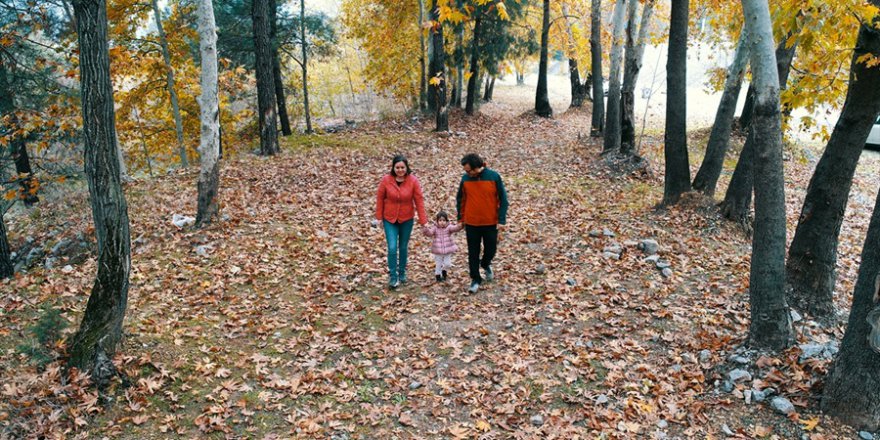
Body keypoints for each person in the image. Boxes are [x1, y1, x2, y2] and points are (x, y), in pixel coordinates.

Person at [456, 153, 509, 293]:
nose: (467, 173)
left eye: (469, 170)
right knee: (473, 252)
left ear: (477, 167)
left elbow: (503, 199)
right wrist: (461, 219)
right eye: (465, 171)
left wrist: (501, 219)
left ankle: (485, 264)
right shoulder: (465, 179)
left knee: (491, 249)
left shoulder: (493, 177)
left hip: (490, 222)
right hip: (471, 222)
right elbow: (460, 200)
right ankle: (475, 278)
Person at [376, 154, 428, 289]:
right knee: (392, 247)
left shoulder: (413, 181)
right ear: (393, 168)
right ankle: (393, 277)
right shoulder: (386, 180)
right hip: (390, 219)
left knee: (403, 247)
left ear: (406, 167)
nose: (400, 170)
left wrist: (423, 222)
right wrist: (379, 217)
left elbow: (419, 200)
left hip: (406, 219)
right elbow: (380, 198)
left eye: (402, 167)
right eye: (397, 167)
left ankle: (402, 272)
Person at [422, 211, 464, 282]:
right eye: (440, 220)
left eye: (444, 220)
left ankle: (444, 270)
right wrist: (425, 229)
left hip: (447, 250)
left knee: (448, 264)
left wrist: (460, 226)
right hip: (438, 250)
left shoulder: (449, 227)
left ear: (446, 221)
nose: (442, 222)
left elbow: (455, 228)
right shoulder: (435, 228)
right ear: (437, 221)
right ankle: (438, 275)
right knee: (438, 264)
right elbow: (429, 233)